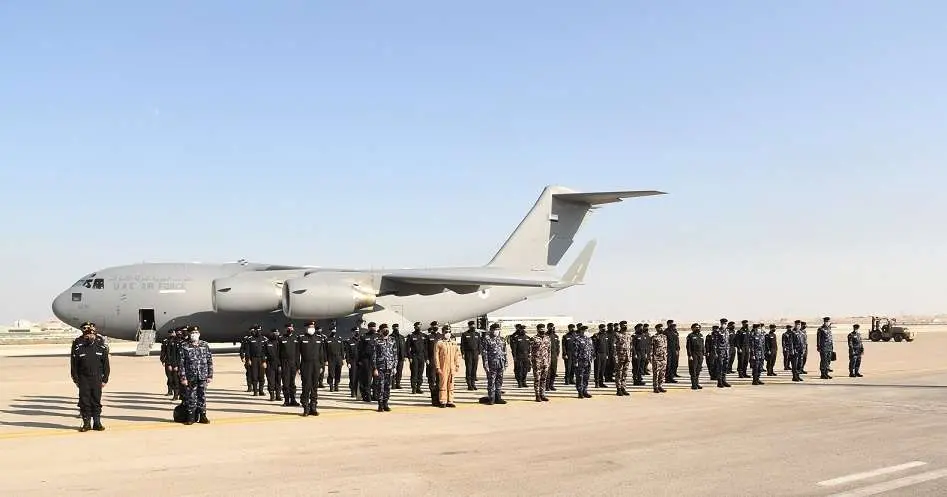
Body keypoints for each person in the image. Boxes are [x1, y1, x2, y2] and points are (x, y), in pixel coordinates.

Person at [71, 322, 110, 432]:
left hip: (97, 378)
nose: (90, 337)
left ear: (94, 335)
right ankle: (86, 423)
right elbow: (74, 365)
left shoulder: (101, 348)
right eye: (87, 335)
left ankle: (97, 423)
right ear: (85, 336)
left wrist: (105, 379)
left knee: (96, 400)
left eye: (92, 335)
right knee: (85, 401)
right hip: (84, 378)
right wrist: (76, 379)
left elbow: (106, 365)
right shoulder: (79, 348)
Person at [178, 326, 213, 425]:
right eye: (193, 332)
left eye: (196, 332)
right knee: (191, 396)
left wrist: (210, 375)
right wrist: (183, 377)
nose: (195, 334)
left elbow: (209, 361)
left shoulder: (204, 345)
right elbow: (181, 363)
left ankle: (203, 416)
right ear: (189, 334)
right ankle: (191, 417)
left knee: (202, 396)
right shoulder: (184, 346)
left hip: (203, 375)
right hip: (190, 377)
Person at [297, 322, 326, 416]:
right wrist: (298, 367)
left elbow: (321, 353)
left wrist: (322, 365)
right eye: (310, 327)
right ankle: (306, 407)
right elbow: (297, 354)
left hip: (316, 365)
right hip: (306, 365)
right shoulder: (301, 338)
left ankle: (313, 407)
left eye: (313, 327)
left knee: (314, 387)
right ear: (306, 328)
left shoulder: (319, 339)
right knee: (306, 386)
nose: (311, 328)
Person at [372, 323, 398, 412]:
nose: (386, 330)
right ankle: (380, 405)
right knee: (380, 386)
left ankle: (386, 403)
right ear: (381, 331)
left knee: (388, 386)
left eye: (387, 329)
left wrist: (394, 367)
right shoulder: (377, 341)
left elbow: (395, 354)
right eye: (384, 329)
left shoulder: (392, 340)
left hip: (390, 367)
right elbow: (374, 355)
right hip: (380, 367)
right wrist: (375, 368)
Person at [433, 325, 461, 408]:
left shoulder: (454, 343)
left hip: (452, 366)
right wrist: (438, 367)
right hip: (443, 366)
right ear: (443, 333)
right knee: (443, 383)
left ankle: (450, 401)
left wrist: (457, 365)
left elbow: (456, 355)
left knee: (451, 383)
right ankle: (442, 401)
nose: (448, 334)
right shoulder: (439, 343)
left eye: (449, 332)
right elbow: (436, 356)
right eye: (446, 332)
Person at [480, 323, 508, 405]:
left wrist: (506, 363)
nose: (497, 331)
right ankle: (491, 398)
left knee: (499, 381)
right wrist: (486, 365)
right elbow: (484, 353)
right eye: (495, 330)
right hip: (491, 364)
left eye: (498, 330)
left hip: (500, 363)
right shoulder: (487, 339)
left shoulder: (502, 339)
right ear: (491, 330)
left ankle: (498, 398)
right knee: (491, 382)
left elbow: (505, 352)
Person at [278, 323, 300, 407]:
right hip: (284, 363)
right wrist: (279, 365)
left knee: (292, 383)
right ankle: (286, 400)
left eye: (291, 327)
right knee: (286, 383)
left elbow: (298, 353)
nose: (289, 329)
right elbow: (278, 353)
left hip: (293, 363)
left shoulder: (296, 338)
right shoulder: (281, 338)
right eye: (288, 327)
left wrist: (298, 366)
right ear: (285, 329)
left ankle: (293, 400)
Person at [571, 324, 594, 398]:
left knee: (586, 377)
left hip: (588, 361)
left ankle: (585, 391)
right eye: (584, 330)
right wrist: (575, 361)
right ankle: (580, 392)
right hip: (580, 361)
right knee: (579, 377)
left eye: (586, 330)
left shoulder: (589, 339)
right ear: (581, 331)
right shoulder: (577, 339)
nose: (585, 332)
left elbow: (591, 349)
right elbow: (575, 351)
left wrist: (591, 358)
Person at [357, 322, 379, 402]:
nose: (373, 328)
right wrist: (359, 361)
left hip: (376, 360)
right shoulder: (364, 337)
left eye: (374, 327)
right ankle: (367, 395)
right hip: (366, 360)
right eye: (371, 327)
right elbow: (359, 350)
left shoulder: (378, 336)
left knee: (376, 379)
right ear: (368, 328)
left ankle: (375, 395)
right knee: (367, 379)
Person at [530, 323, 552, 402]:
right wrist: (532, 362)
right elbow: (530, 352)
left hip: (545, 362)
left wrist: (549, 361)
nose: (542, 330)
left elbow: (549, 351)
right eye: (541, 329)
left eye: (543, 329)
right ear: (538, 329)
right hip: (537, 362)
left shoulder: (547, 338)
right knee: (537, 379)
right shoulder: (533, 339)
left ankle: (543, 394)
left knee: (543, 379)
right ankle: (537, 395)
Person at [245, 325, 267, 396]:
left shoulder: (264, 339)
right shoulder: (250, 339)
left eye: (259, 330)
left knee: (261, 376)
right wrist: (248, 360)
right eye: (257, 330)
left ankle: (261, 391)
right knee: (254, 375)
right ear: (254, 331)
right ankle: (255, 391)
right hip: (253, 359)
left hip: (261, 359)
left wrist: (264, 361)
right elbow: (247, 351)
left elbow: (265, 351)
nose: (258, 331)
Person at [406, 322, 427, 394]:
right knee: (414, 372)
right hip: (414, 356)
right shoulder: (411, 336)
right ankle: (413, 388)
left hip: (421, 356)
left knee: (420, 373)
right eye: (417, 326)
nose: (419, 327)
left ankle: (419, 387)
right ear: (414, 327)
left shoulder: (424, 336)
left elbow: (425, 348)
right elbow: (407, 348)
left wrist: (426, 358)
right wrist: (410, 357)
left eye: (420, 326)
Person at [460, 321, 482, 390]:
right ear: (469, 326)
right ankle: (469, 384)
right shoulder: (465, 334)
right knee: (469, 369)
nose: (473, 326)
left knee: (474, 369)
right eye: (471, 325)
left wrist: (479, 353)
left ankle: (473, 383)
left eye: (474, 325)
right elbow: (462, 345)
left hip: (475, 353)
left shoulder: (477, 334)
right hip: (468, 353)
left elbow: (479, 344)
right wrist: (463, 353)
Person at [613, 321, 633, 396]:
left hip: (627, 357)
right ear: (620, 326)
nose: (625, 326)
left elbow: (630, 346)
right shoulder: (617, 335)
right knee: (619, 373)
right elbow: (614, 346)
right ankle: (618, 389)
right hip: (620, 357)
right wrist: (615, 357)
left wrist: (630, 356)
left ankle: (623, 388)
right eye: (623, 325)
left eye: (626, 325)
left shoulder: (628, 335)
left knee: (625, 373)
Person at [324, 323, 345, 392]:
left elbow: (342, 349)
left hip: (338, 358)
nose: (333, 331)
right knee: (331, 373)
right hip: (331, 358)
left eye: (334, 330)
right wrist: (326, 360)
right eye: (332, 330)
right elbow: (325, 351)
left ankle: (336, 385)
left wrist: (343, 359)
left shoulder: (339, 339)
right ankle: (331, 385)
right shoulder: (327, 340)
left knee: (338, 372)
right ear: (330, 331)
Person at [263, 328, 282, 401]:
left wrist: (281, 365)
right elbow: (263, 353)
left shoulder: (279, 343)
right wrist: (264, 361)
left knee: (278, 380)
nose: (276, 334)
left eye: (277, 333)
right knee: (271, 380)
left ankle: (278, 395)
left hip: (278, 364)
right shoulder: (267, 343)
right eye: (274, 333)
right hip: (269, 363)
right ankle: (272, 395)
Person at [650, 323, 669, 394]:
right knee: (656, 373)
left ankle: (660, 386)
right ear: (657, 329)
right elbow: (651, 348)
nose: (661, 329)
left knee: (662, 373)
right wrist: (651, 357)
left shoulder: (664, 337)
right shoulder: (654, 337)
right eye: (660, 328)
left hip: (663, 358)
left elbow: (666, 347)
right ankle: (655, 387)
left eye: (662, 328)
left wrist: (666, 355)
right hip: (656, 358)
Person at [685, 323, 704, 390]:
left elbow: (702, 345)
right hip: (693, 354)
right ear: (692, 328)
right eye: (696, 327)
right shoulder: (690, 336)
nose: (698, 328)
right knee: (693, 370)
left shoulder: (701, 335)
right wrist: (689, 355)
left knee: (698, 369)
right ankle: (693, 385)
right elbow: (688, 347)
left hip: (700, 354)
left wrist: (703, 353)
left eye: (698, 327)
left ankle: (697, 383)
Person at [391, 323, 407, 389]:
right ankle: (392, 384)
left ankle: (398, 383)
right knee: (393, 371)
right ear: (393, 328)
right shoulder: (390, 337)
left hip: (401, 357)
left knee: (399, 371)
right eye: (395, 327)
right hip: (393, 357)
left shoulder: (401, 337)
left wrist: (405, 355)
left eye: (397, 327)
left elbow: (404, 347)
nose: (396, 328)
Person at [546, 323, 560, 391]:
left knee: (554, 371)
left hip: (554, 356)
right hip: (546, 356)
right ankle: (547, 386)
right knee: (547, 372)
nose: (551, 328)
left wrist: (557, 354)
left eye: (552, 327)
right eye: (550, 327)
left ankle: (551, 385)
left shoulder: (556, 336)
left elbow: (558, 346)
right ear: (547, 327)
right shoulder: (545, 336)